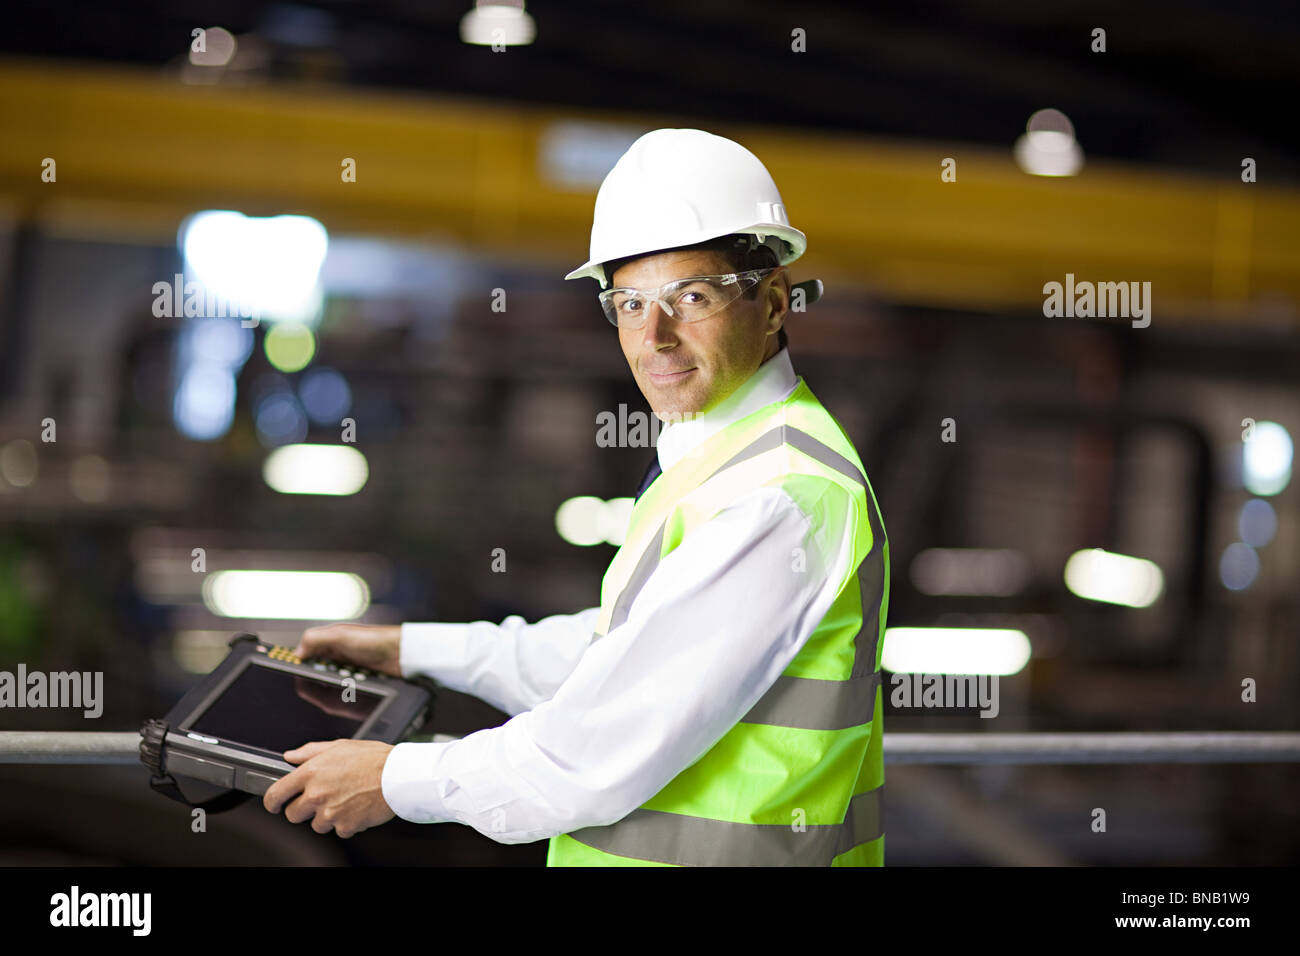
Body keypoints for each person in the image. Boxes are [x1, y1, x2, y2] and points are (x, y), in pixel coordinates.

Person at [264, 128, 890, 866]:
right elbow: (626, 650)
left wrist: (394, 780)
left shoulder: (780, 494)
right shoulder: (728, 454)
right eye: (629, 304)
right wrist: (418, 649)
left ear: (776, 303)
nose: (654, 336)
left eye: (691, 297)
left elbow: (592, 752)